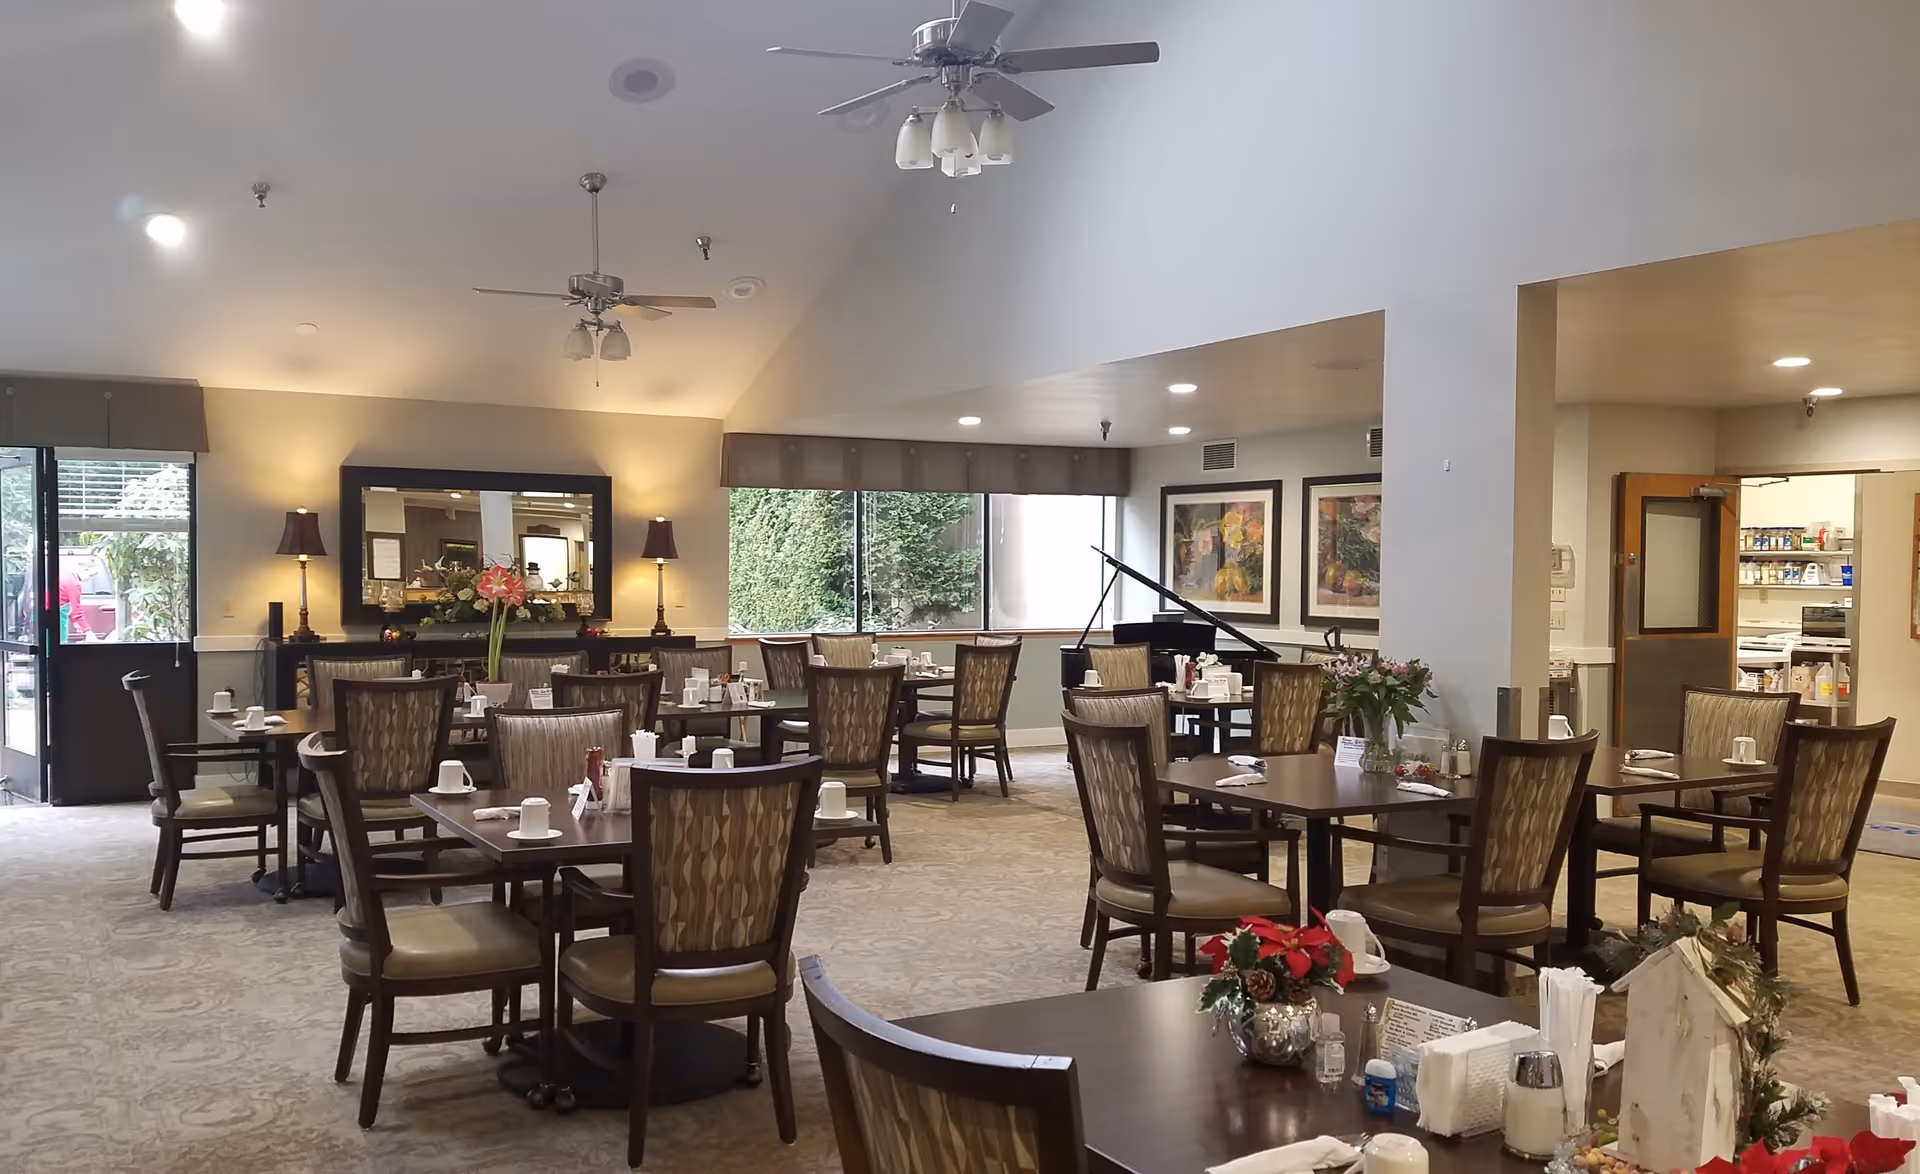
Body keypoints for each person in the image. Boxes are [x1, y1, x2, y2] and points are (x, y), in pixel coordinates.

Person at [58, 557, 92, 643]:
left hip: (45, 614)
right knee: (60, 644)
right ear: (85, 570)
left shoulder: (65, 577)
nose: (89, 579)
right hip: (57, 618)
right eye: (90, 575)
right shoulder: (75, 584)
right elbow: (76, 611)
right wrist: (88, 631)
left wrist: (76, 623)